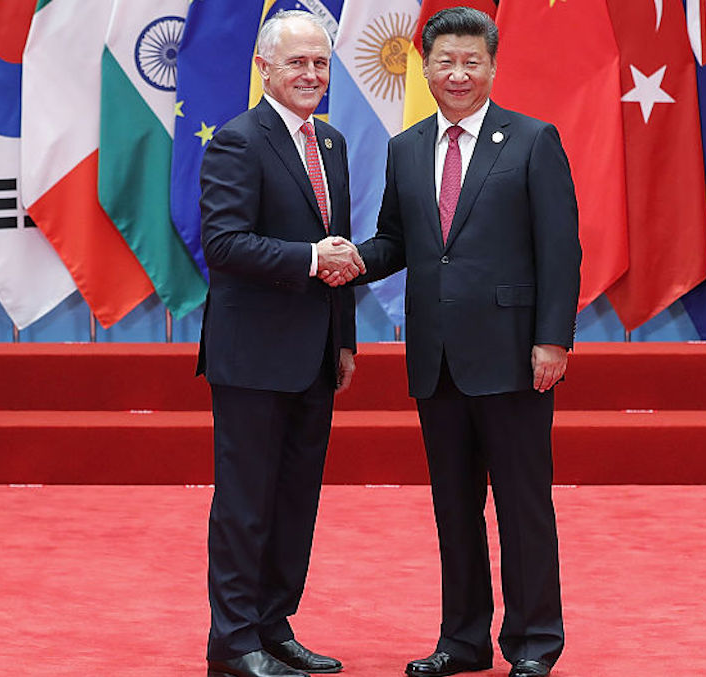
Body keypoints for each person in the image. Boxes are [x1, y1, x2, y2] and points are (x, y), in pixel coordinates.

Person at [349, 7, 581, 677]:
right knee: (454, 508)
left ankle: (534, 641)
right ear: (425, 66)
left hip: (514, 355)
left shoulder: (533, 141)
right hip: (437, 357)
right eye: (445, 61)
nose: (458, 73)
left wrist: (552, 340)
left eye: (471, 61)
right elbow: (398, 239)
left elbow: (560, 250)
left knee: (522, 505)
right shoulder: (407, 147)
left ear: (491, 66)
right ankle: (463, 639)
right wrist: (350, 259)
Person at [196, 10, 364, 677]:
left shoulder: (332, 144)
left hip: (316, 354)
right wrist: (309, 258)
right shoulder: (239, 141)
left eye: (321, 63)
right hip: (253, 356)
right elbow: (225, 243)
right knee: (246, 503)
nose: (312, 75)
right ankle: (233, 641)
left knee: (296, 499)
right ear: (265, 67)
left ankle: (274, 622)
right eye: (297, 62)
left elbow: (342, 250)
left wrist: (344, 338)